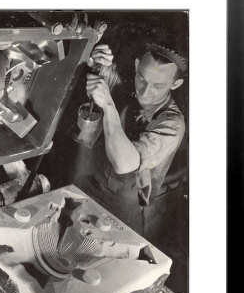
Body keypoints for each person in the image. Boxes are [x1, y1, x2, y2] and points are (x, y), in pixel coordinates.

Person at [79, 42, 187, 235]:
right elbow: (103, 76)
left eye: (158, 86)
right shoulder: (125, 86)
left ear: (175, 84)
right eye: (141, 78)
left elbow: (124, 164)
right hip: (89, 182)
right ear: (137, 65)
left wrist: (109, 106)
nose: (144, 92)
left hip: (123, 206)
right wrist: (99, 62)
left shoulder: (172, 123)